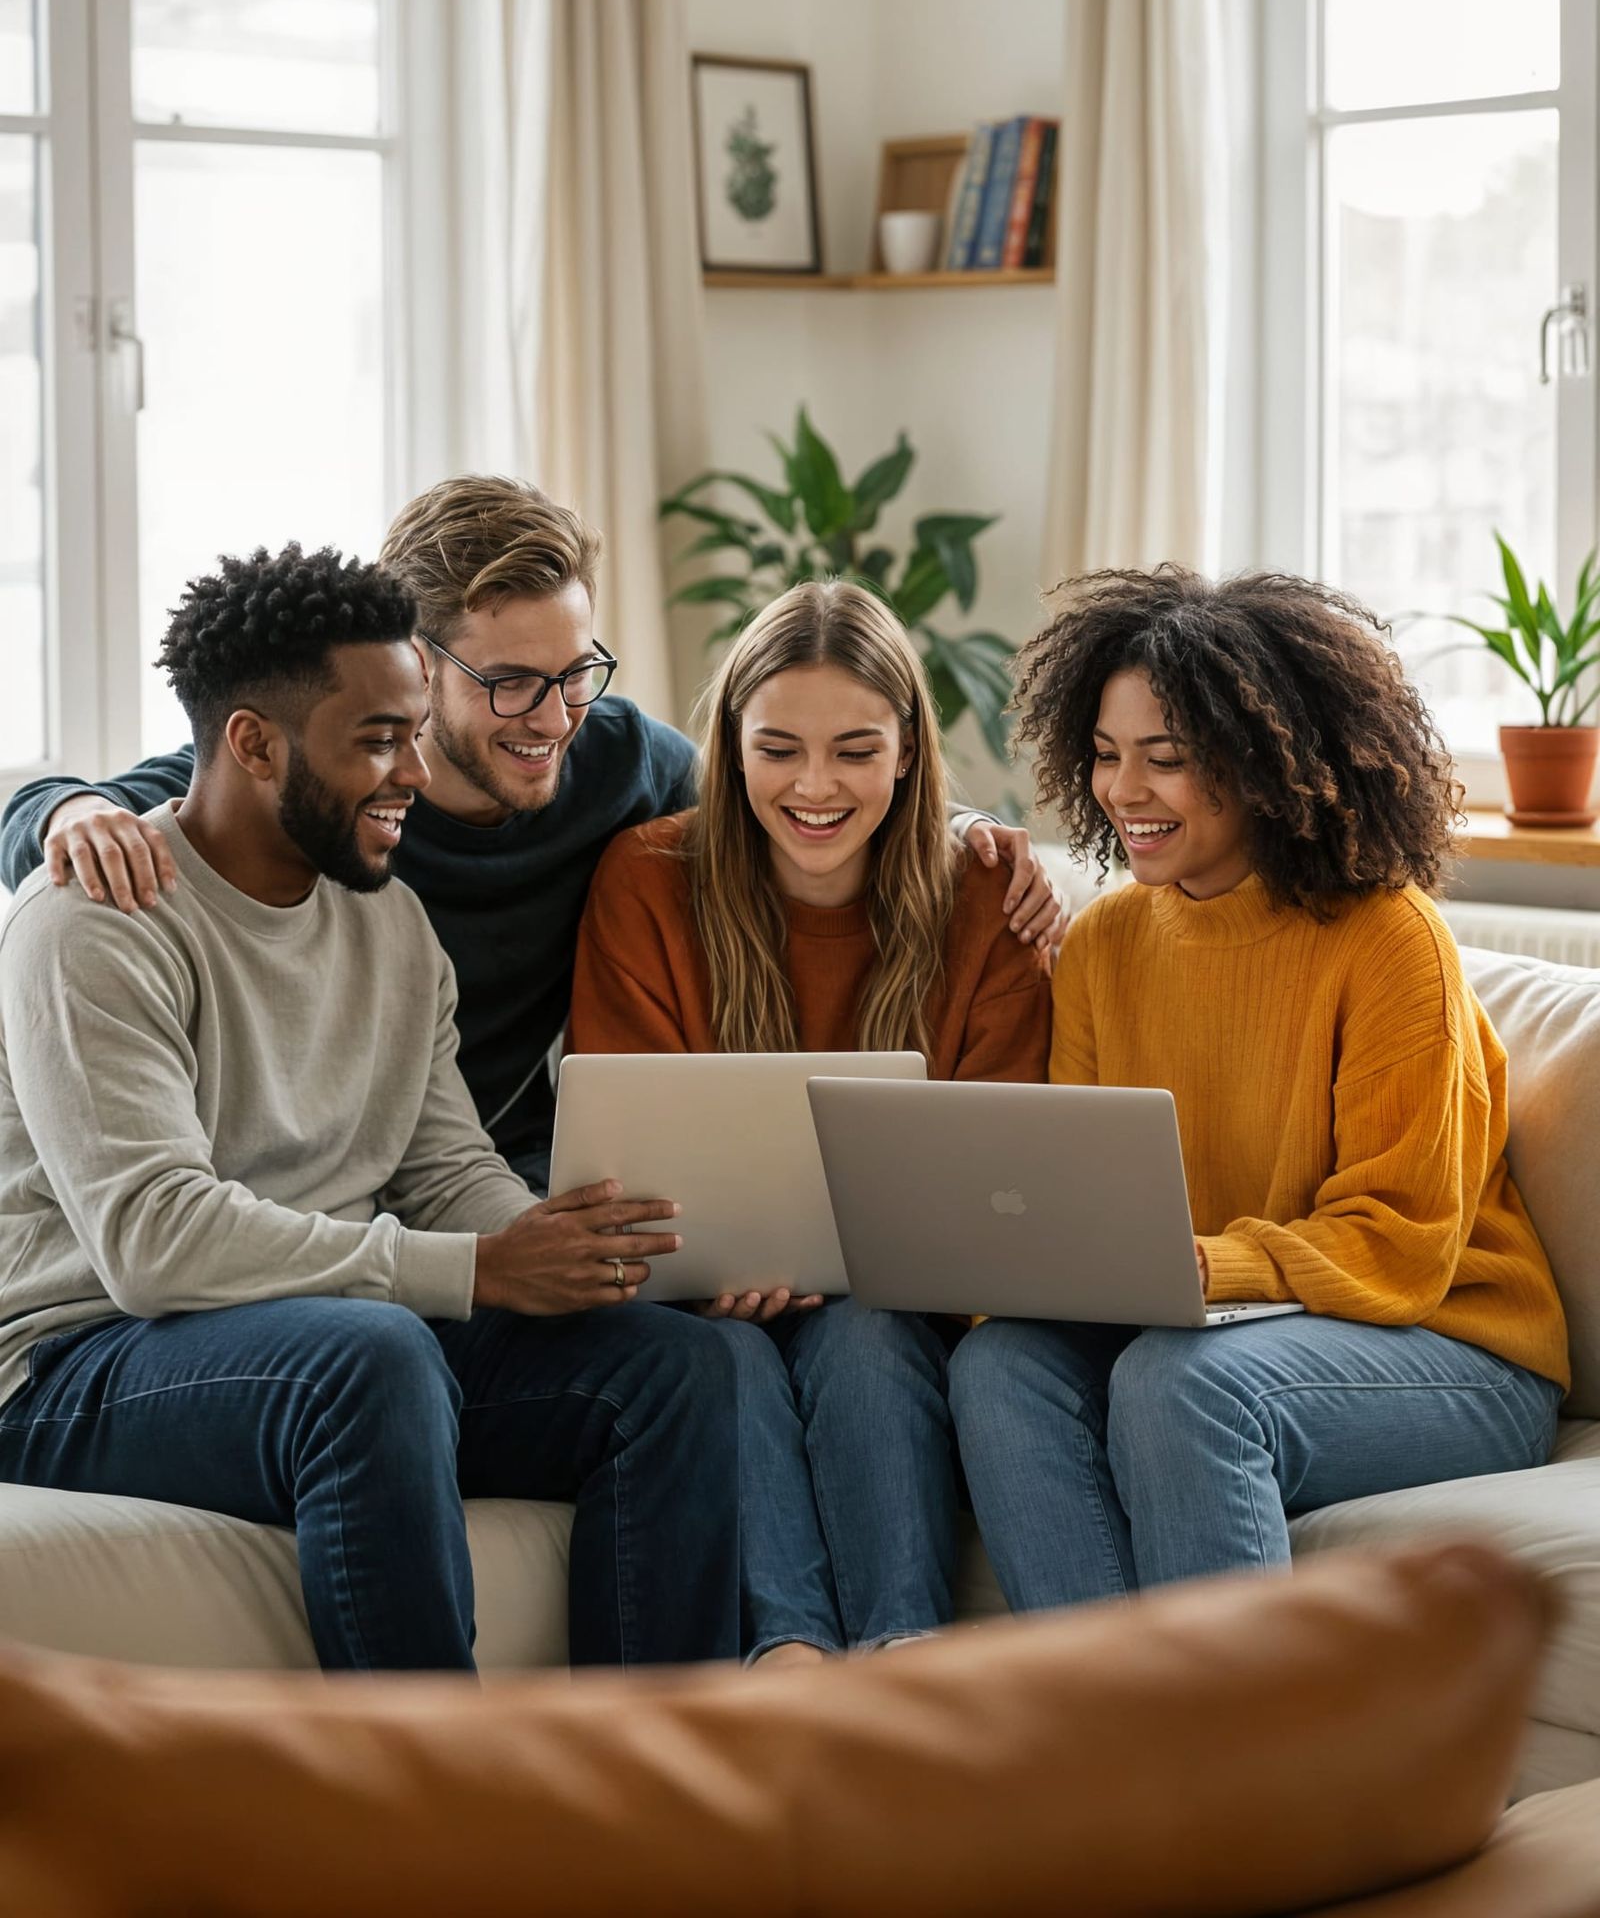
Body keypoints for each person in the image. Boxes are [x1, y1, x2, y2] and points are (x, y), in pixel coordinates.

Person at [0, 543, 742, 1671]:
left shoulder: (387, 922)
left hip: (329, 1331)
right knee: (375, 1355)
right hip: (84, 1359)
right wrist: (479, 1272)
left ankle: (645, 1795)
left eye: (411, 731)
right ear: (253, 742)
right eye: (377, 741)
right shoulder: (95, 916)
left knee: (669, 1366)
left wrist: (594, 1251)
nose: (412, 770)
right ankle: (422, 1819)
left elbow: (445, 1168)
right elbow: (153, 1241)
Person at [0, 479, 1064, 1195]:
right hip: (315, 1183)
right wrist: (66, 810)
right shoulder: (337, 783)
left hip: (490, 1169)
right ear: (412, 664)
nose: (553, 716)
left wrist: (961, 829)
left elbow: (787, 803)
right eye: (509, 680)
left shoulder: (621, 760)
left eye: (575, 670)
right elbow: (108, 802)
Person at [945, 564, 1570, 1612]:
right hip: (1209, 1319)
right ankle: (1093, 1742)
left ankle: (1241, 1759)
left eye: (1166, 759)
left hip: (1450, 1347)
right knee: (1000, 1365)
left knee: (1177, 1382)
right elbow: (1088, 1190)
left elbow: (1403, 1239)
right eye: (1103, 755)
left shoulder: (1387, 939)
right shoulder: (1103, 942)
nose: (1121, 791)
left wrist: (1208, 1262)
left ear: (1269, 762)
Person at [568, 580, 1050, 1661]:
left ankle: (898, 1655)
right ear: (731, 747)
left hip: (900, 1302)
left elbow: (999, 1171)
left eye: (855, 749)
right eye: (778, 747)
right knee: (721, 1359)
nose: (816, 785)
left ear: (909, 751)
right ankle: (788, 1660)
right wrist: (708, 1265)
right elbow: (625, 1145)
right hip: (702, 1303)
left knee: (867, 1337)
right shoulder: (648, 878)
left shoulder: (986, 899)